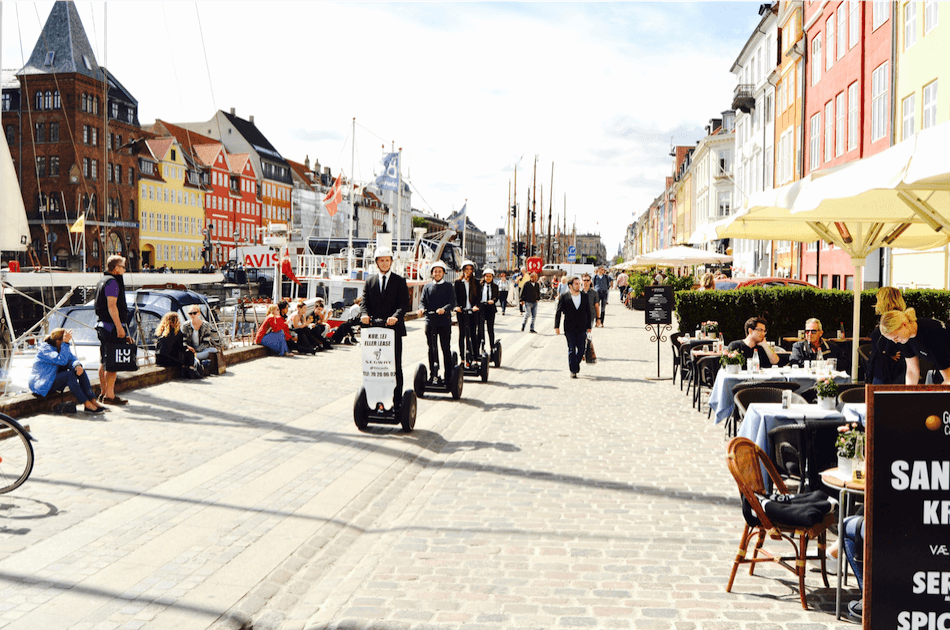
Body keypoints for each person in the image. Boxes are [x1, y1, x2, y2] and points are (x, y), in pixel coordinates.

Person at [360, 246, 411, 408]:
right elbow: (364, 303)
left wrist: (395, 317)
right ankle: (374, 399)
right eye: (381, 260)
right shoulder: (370, 281)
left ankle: (396, 401)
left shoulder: (399, 281)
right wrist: (364, 314)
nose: (384, 263)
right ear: (376, 263)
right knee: (374, 366)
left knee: (394, 366)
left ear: (391, 262)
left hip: (393, 330)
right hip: (374, 331)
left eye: (387, 260)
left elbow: (404, 304)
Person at [29, 328, 105, 414]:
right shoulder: (45, 349)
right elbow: (61, 360)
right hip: (42, 384)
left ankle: (92, 400)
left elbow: (71, 358)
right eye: (65, 340)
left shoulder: (61, 347)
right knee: (69, 375)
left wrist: (77, 365)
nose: (67, 342)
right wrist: (65, 343)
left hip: (52, 380)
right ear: (58, 341)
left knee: (81, 370)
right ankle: (86, 403)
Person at [94, 255, 130, 405]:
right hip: (111, 326)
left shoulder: (102, 280)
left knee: (104, 360)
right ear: (116, 268)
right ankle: (110, 396)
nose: (124, 270)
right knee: (113, 362)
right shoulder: (113, 283)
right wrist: (120, 327)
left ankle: (103, 394)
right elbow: (112, 306)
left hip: (103, 325)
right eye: (123, 267)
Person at [880, 308, 950, 384]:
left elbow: (948, 378)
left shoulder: (930, 335)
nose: (896, 342)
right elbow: (912, 371)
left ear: (905, 325)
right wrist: (909, 394)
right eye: (892, 340)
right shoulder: (905, 339)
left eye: (896, 337)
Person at [417, 261, 456, 383]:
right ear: (432, 273)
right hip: (430, 320)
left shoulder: (449, 286)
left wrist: (444, 310)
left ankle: (448, 375)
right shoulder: (427, 287)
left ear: (443, 273)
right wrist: (421, 308)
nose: (437, 273)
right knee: (432, 348)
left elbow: (452, 303)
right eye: (435, 271)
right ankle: (433, 374)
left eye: (439, 271)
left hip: (444, 321)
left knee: (445, 348)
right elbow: (422, 301)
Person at [866, 287, 906, 384]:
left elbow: (889, 340)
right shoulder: (899, 316)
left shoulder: (890, 318)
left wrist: (888, 352)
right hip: (891, 368)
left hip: (886, 370)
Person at [554, 276, 592, 379]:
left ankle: (575, 364)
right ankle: (573, 370)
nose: (579, 285)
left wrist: (589, 326)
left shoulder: (584, 296)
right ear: (570, 285)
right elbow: (558, 312)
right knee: (571, 349)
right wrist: (556, 326)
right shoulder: (564, 296)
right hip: (569, 327)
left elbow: (588, 312)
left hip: (582, 327)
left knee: (581, 349)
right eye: (576, 283)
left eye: (579, 283)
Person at [155, 312, 201, 377]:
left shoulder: (161, 332)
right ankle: (190, 370)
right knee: (189, 353)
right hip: (170, 360)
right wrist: (188, 348)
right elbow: (181, 347)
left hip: (160, 360)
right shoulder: (176, 332)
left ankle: (185, 368)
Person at [454, 259, 481, 361]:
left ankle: (475, 357)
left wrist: (476, 306)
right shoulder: (458, 283)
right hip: (462, 311)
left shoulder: (477, 283)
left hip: (473, 311)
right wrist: (456, 306)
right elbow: (455, 297)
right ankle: (462, 358)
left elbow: (479, 297)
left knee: (473, 334)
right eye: (466, 269)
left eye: (470, 269)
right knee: (462, 334)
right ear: (463, 270)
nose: (468, 271)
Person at [478, 268, 499, 351]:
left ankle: (492, 346)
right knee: (480, 328)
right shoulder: (480, 285)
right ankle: (481, 346)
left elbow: (496, 297)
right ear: (484, 277)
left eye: (490, 276)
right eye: (487, 276)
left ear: (492, 277)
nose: (488, 278)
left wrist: (493, 301)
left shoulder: (495, 286)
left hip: (490, 308)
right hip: (481, 308)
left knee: (490, 328)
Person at [581, 273, 600, 363]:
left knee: (586, 335)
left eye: (587, 280)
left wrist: (598, 319)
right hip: (579, 317)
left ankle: (584, 352)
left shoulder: (594, 293)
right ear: (582, 281)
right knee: (580, 335)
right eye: (584, 280)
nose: (586, 282)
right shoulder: (578, 292)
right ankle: (582, 351)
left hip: (590, 317)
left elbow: (597, 306)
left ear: (590, 281)